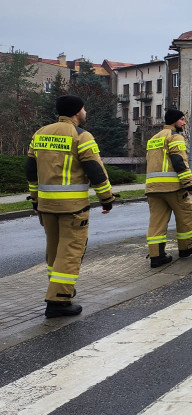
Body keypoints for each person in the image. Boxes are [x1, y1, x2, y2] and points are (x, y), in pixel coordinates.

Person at [25, 94, 116, 318]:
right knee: (71, 251)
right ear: (77, 111)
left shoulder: (40, 133)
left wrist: (35, 199)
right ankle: (58, 301)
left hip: (46, 206)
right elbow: (94, 169)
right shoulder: (81, 135)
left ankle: (59, 289)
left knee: (54, 252)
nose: (86, 113)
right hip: (73, 207)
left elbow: (30, 169)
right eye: (84, 109)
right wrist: (106, 198)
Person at [144, 109, 192, 267]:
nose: (184, 122)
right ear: (174, 121)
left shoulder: (153, 138)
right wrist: (189, 184)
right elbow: (178, 161)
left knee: (156, 222)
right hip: (172, 188)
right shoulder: (175, 137)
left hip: (153, 189)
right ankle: (187, 248)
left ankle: (157, 257)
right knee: (185, 215)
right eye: (182, 120)